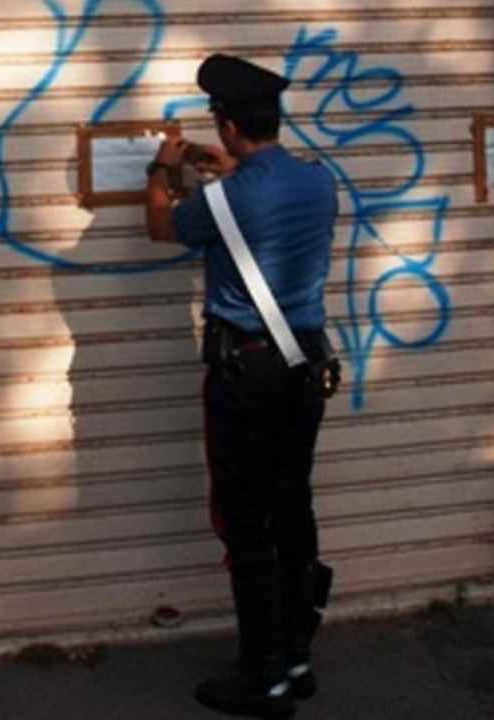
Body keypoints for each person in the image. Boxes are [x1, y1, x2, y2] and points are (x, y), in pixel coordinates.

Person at [144, 54, 338, 719]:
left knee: (246, 525)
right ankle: (297, 658)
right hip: (305, 367)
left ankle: (264, 678)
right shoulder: (320, 182)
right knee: (292, 511)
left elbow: (162, 224)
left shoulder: (220, 199)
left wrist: (164, 167)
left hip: (244, 375)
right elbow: (265, 197)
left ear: (225, 125)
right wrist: (233, 169)